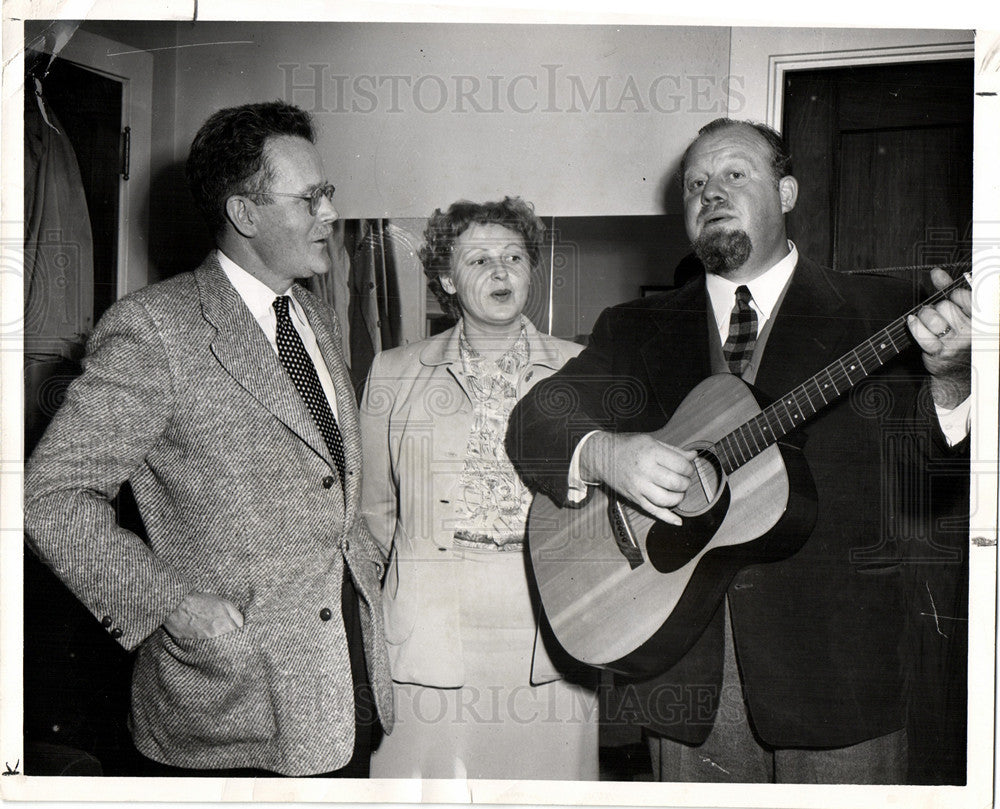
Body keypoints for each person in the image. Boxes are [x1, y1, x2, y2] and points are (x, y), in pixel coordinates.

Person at [505, 119, 971, 784]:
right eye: (695, 183)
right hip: (684, 669)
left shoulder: (889, 311)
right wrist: (606, 455)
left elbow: (936, 471)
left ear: (786, 192)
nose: (710, 192)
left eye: (733, 174)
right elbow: (534, 421)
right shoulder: (632, 328)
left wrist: (956, 376)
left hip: (838, 677)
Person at [23, 101, 393, 777]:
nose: (330, 215)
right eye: (310, 198)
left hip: (345, 681)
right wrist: (172, 603)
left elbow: (325, 485)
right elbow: (49, 496)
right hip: (231, 707)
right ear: (245, 213)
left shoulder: (309, 314)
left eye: (328, 194)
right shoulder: (154, 330)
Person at [360, 197, 599, 779]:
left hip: (550, 618)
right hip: (427, 618)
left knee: (544, 785)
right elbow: (373, 512)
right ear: (446, 276)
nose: (501, 271)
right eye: (480, 260)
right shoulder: (393, 371)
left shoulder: (584, 368)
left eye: (514, 257)